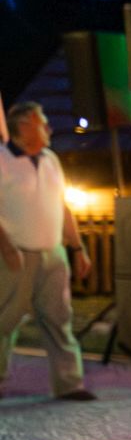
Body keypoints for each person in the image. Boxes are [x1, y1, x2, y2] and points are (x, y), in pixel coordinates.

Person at [0, 100, 95, 400]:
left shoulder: (51, 159)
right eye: (42, 121)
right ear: (24, 126)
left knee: (59, 318)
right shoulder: (2, 160)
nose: (49, 127)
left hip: (53, 253)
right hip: (16, 254)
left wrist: (77, 248)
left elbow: (62, 205)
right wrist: (6, 247)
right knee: (5, 320)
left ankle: (70, 384)